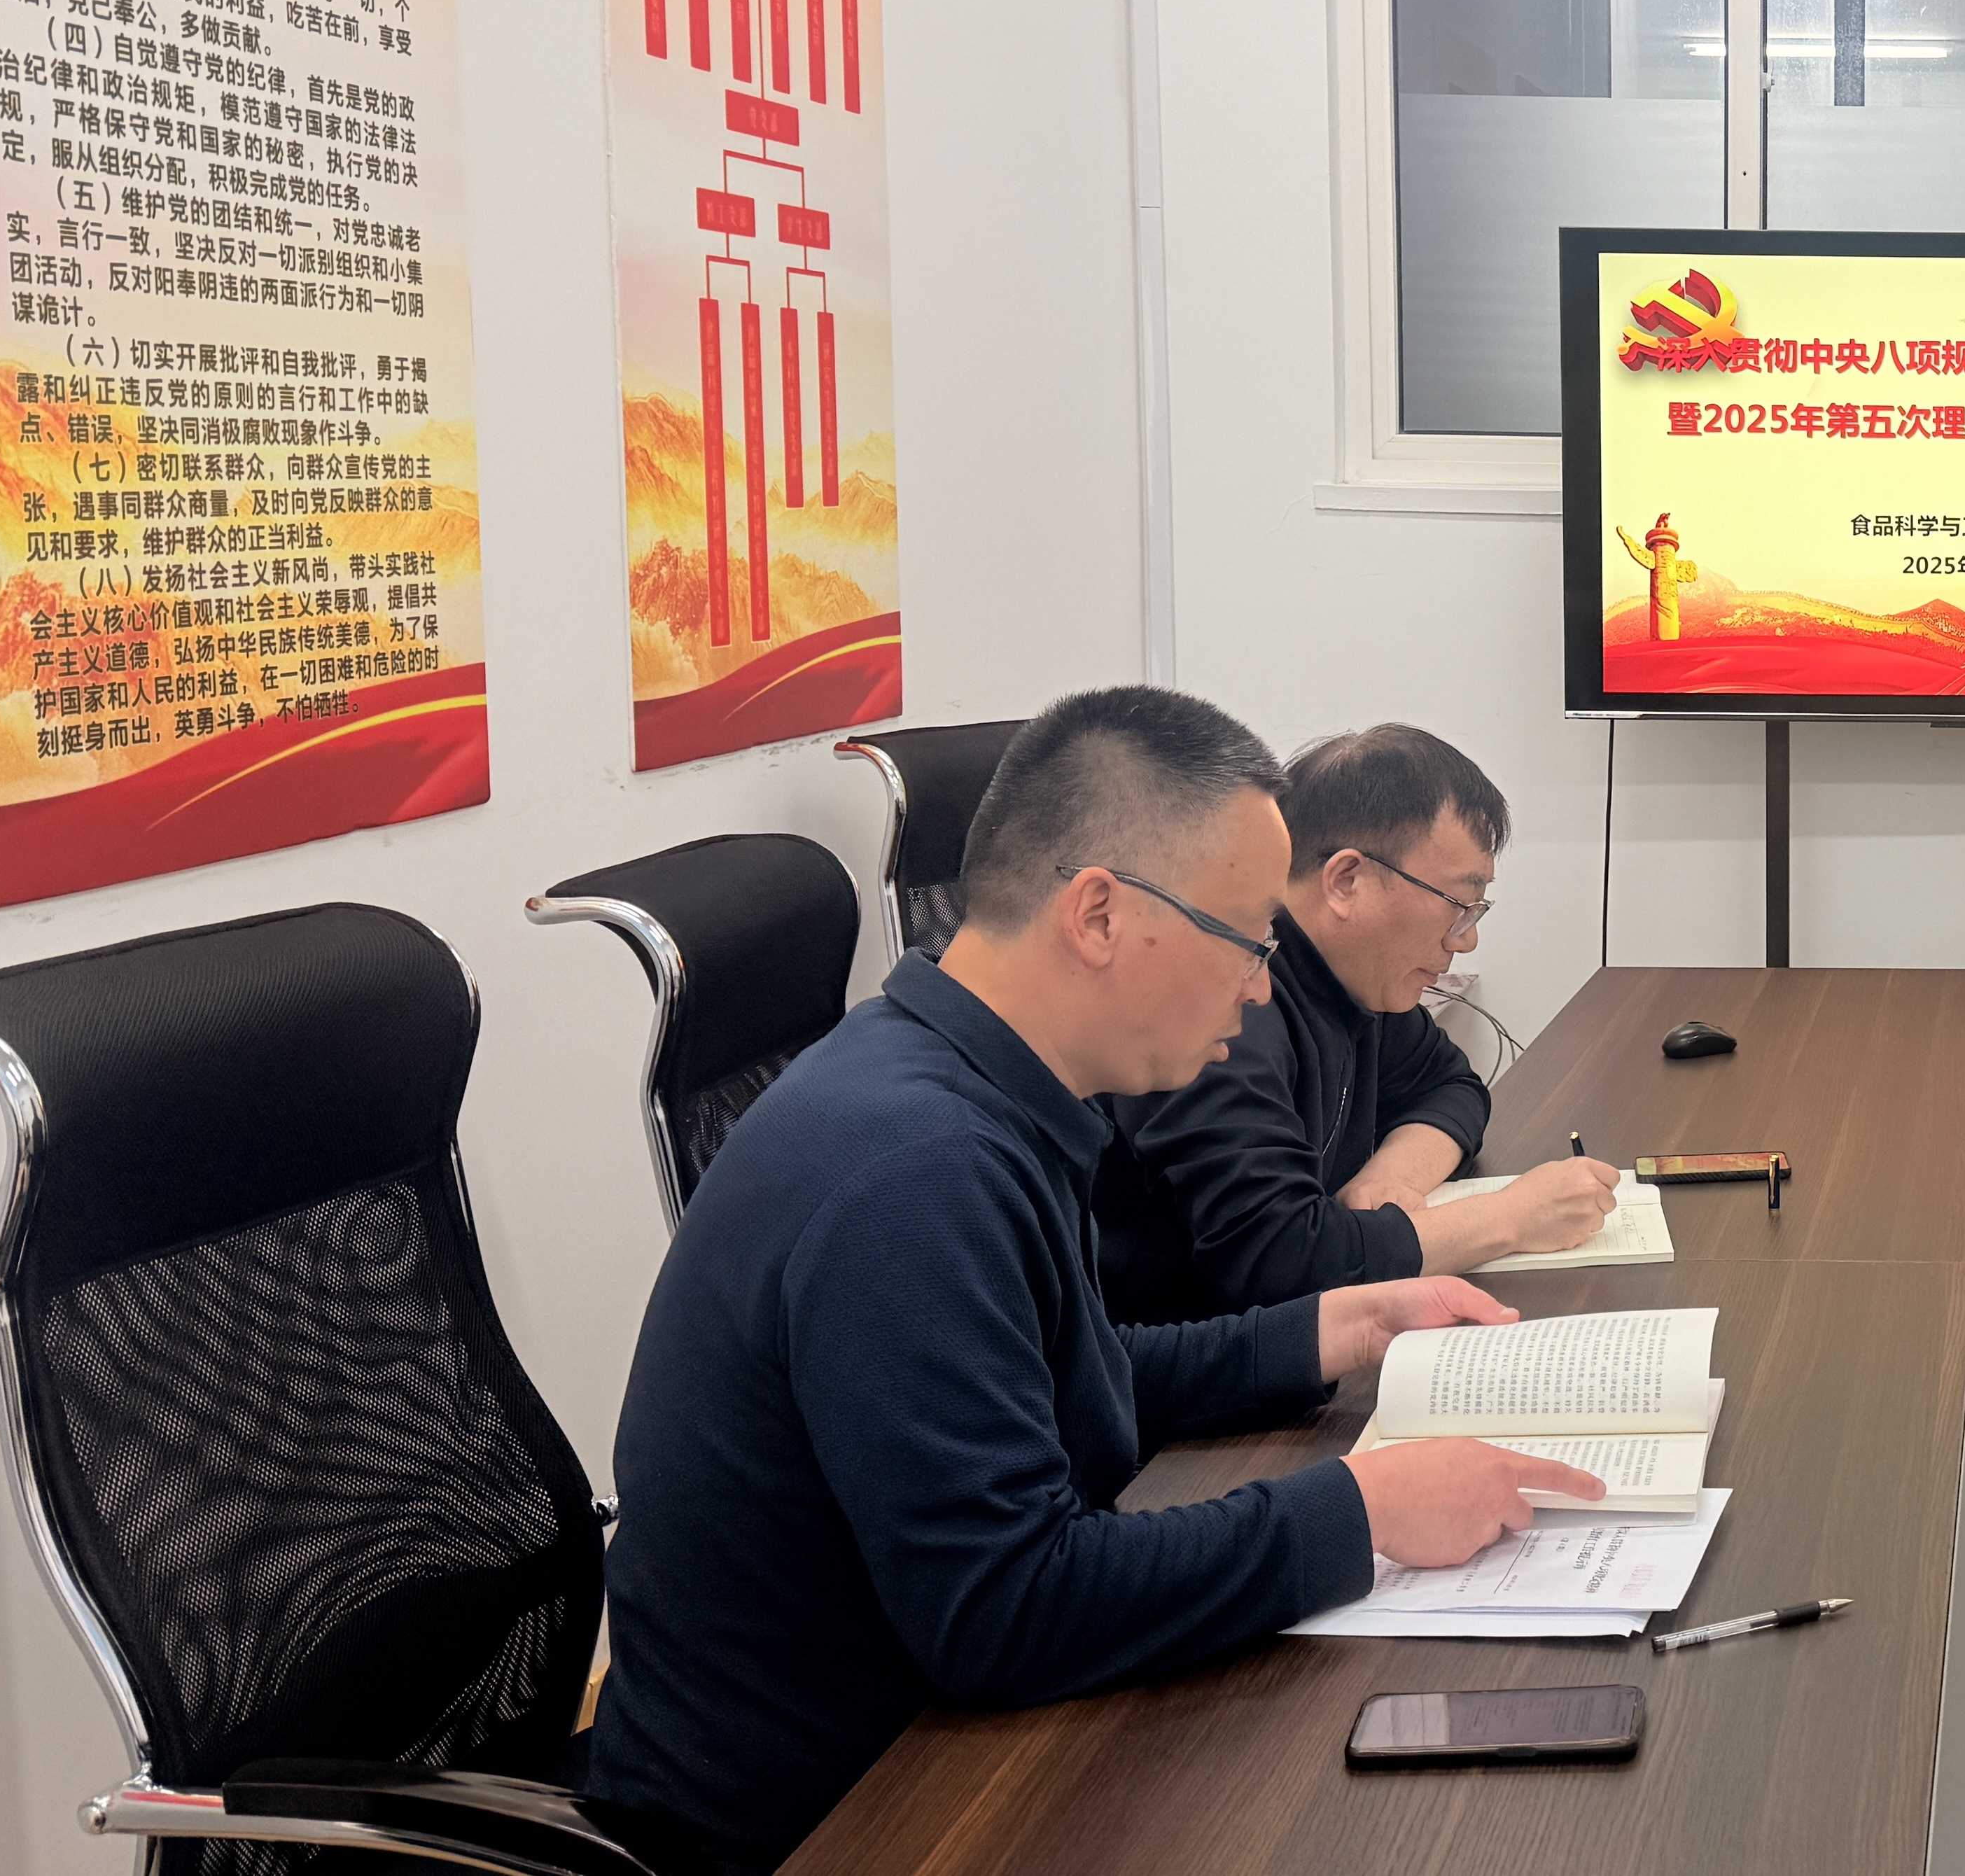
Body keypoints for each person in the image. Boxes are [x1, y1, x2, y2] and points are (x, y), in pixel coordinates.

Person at [589, 687, 1607, 1872]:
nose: (1261, 987)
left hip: (924, 1726)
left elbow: (1063, 1367)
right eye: (1247, 938)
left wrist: (1335, 1324)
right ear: (1100, 914)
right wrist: (1363, 1508)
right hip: (831, 1816)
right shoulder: (914, 1170)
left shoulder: (962, 1077)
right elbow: (1010, 1610)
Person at [1091, 722, 1620, 1322]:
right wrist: (1510, 1217)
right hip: (1181, 1363)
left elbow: (1451, 1085)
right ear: (1347, 880)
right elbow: (1280, 1263)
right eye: (1458, 904)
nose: (1466, 939)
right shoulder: (1227, 1008)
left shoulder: (1354, 978)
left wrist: (1392, 1176)